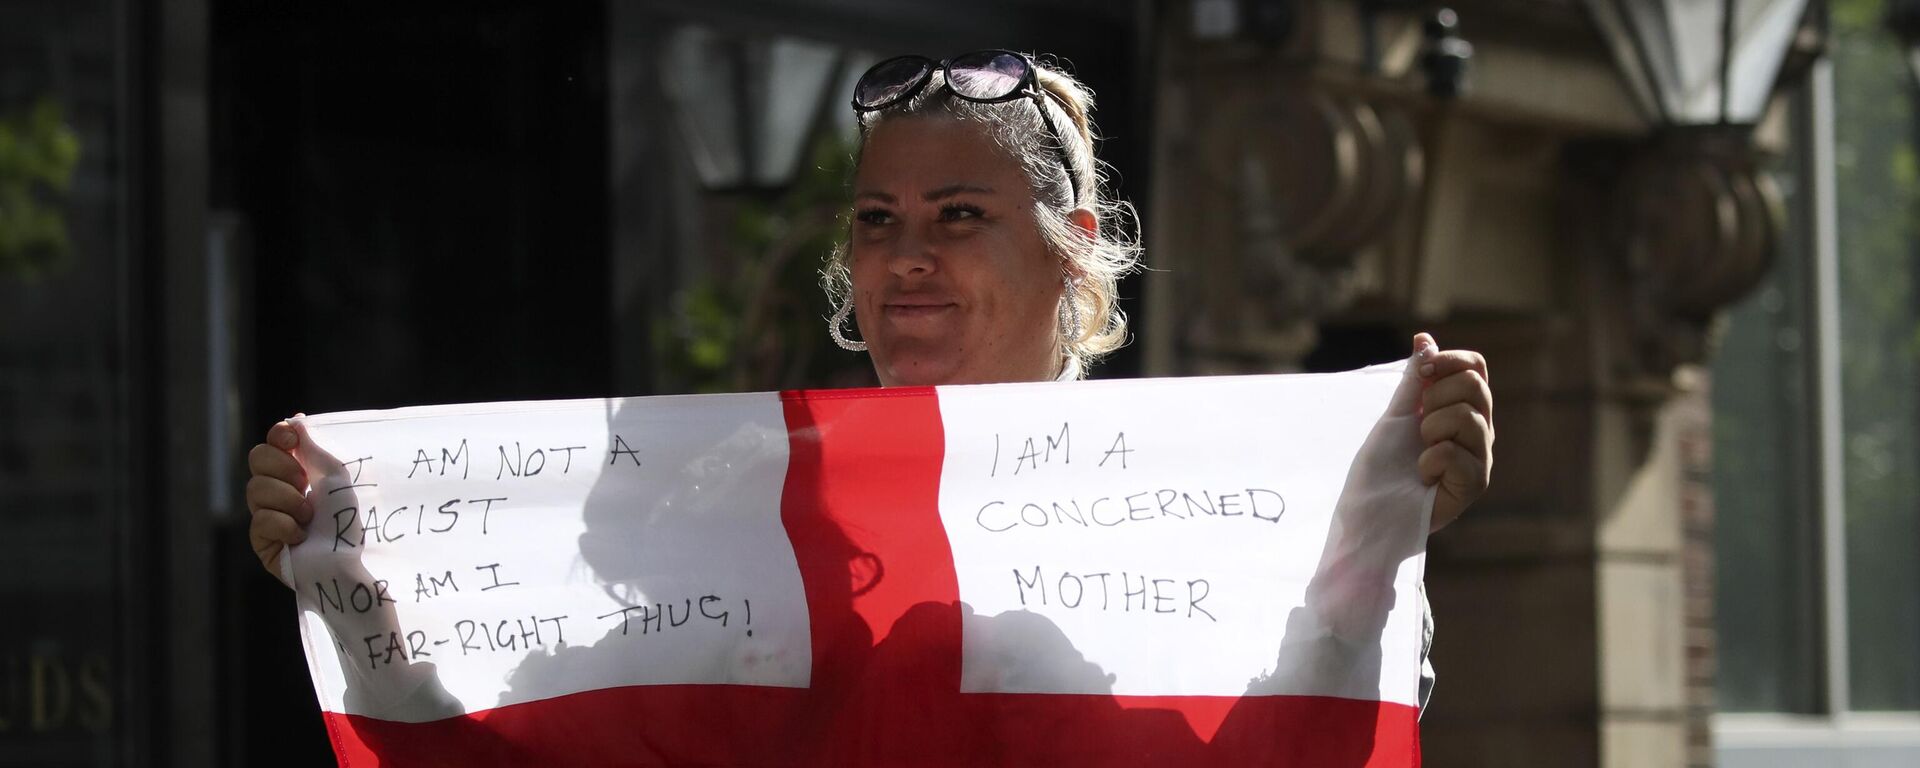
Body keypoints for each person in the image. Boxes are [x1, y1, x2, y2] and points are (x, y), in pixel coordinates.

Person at [244, 50, 1493, 761]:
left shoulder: (1202, 526)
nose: (908, 257)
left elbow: (1291, 751)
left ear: (1072, 252)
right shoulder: (725, 515)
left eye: (961, 218)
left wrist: (1377, 545)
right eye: (879, 221)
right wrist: (360, 596)